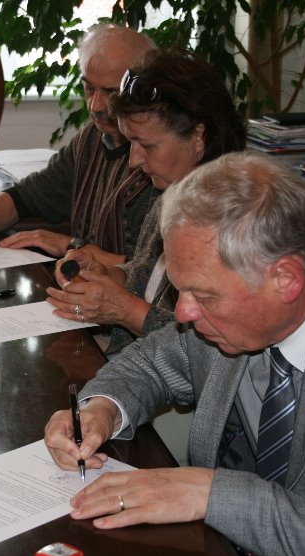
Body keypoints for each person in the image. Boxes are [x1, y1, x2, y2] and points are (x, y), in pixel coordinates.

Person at [44, 152, 305, 556]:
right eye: (180, 289)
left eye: (203, 295)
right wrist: (101, 409)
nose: (183, 312)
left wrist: (213, 495)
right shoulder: (228, 309)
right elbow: (152, 362)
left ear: (285, 279)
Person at [46, 47, 245, 353]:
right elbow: (146, 277)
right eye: (130, 143)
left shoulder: (235, 224)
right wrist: (106, 275)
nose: (133, 160)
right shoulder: (172, 194)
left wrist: (125, 311)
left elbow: (209, 350)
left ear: (198, 137)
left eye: (146, 145)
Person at [0, 25, 157, 263]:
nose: (94, 105)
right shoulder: (92, 137)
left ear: (141, 90)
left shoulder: (158, 161)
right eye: (89, 87)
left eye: (110, 92)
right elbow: (25, 197)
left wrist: (69, 246)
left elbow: (148, 272)